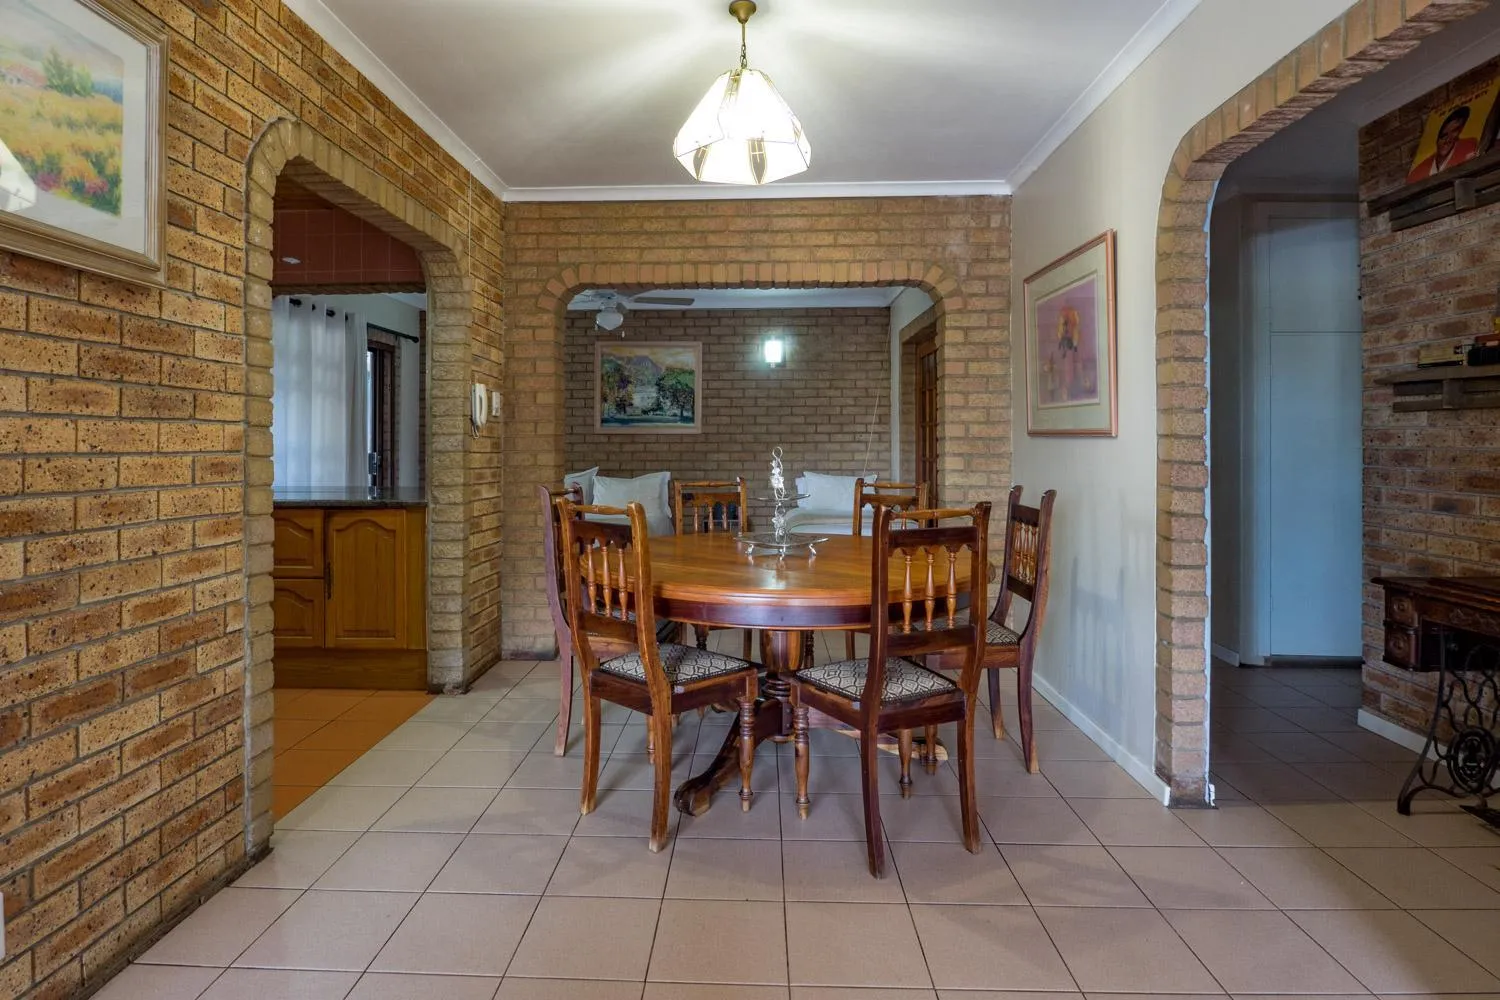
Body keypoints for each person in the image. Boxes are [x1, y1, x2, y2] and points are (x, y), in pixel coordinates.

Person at [1408, 105, 1481, 181]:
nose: (1448, 140)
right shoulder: (1417, 172)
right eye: (1443, 136)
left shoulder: (1469, 145)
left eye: (1455, 131)